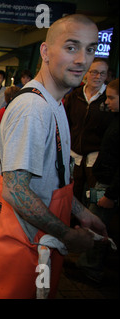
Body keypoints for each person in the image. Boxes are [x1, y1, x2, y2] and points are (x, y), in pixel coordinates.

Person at [0, 14, 108, 299]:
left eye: (90, 49)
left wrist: (82, 213)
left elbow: (52, 180)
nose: (82, 60)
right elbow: (16, 191)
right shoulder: (33, 109)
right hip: (25, 251)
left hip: (41, 247)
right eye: (71, 47)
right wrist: (67, 234)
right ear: (45, 51)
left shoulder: (54, 102)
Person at [76, 79, 119, 283]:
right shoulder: (114, 118)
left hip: (109, 187)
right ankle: (86, 263)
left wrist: (111, 195)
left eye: (111, 97)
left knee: (97, 224)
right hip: (101, 182)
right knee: (92, 215)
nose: (107, 101)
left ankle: (90, 269)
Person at [64, 58, 113, 204]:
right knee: (71, 196)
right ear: (86, 73)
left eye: (102, 73)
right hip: (74, 156)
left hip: (96, 159)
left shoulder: (109, 98)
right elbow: (66, 122)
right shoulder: (75, 95)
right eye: (94, 72)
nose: (98, 77)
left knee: (93, 199)